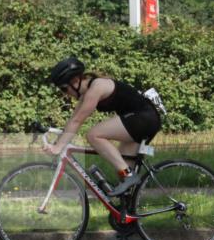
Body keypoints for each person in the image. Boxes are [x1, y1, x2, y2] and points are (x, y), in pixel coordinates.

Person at [44, 56, 161, 196]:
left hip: (143, 117)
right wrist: (59, 142)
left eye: (64, 89)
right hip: (141, 119)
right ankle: (127, 215)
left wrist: (58, 148)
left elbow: (77, 121)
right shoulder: (86, 94)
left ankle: (129, 175)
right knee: (123, 174)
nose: (65, 94)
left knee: (93, 135)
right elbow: (72, 120)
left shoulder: (97, 87)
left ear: (75, 81)